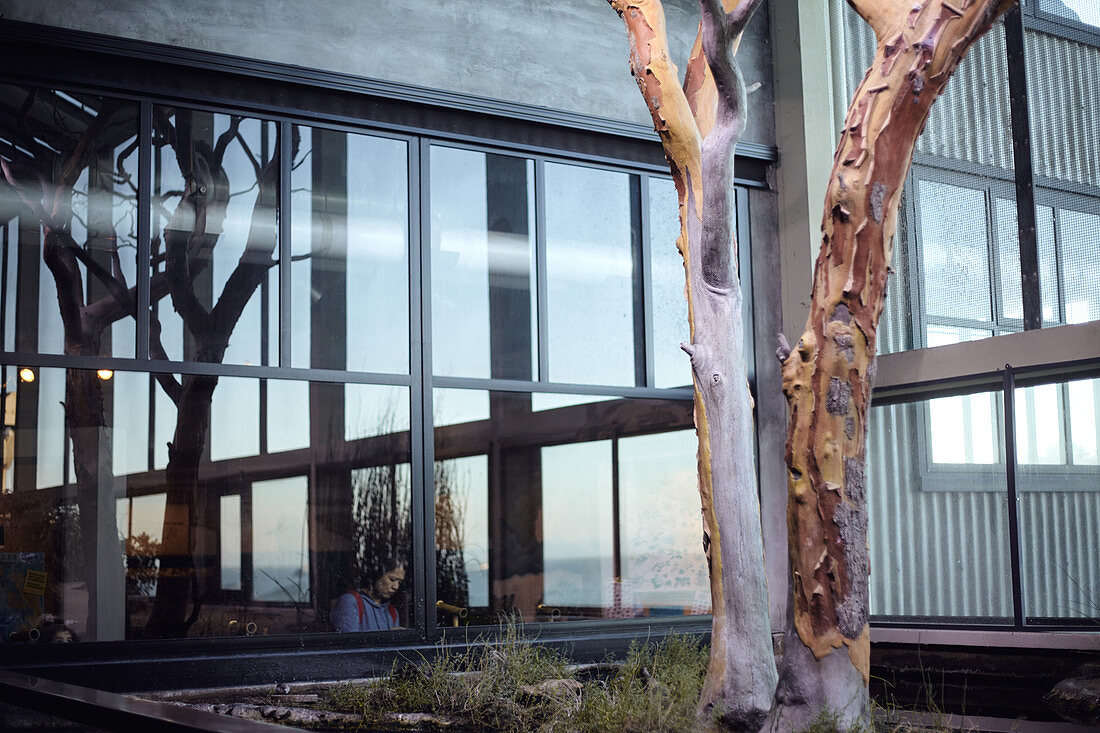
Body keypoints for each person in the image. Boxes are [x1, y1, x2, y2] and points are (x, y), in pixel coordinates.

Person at [331, 564, 405, 633]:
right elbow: (349, 644)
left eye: (400, 583)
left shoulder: (392, 611)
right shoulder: (350, 602)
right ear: (377, 575)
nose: (396, 587)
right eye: (392, 579)